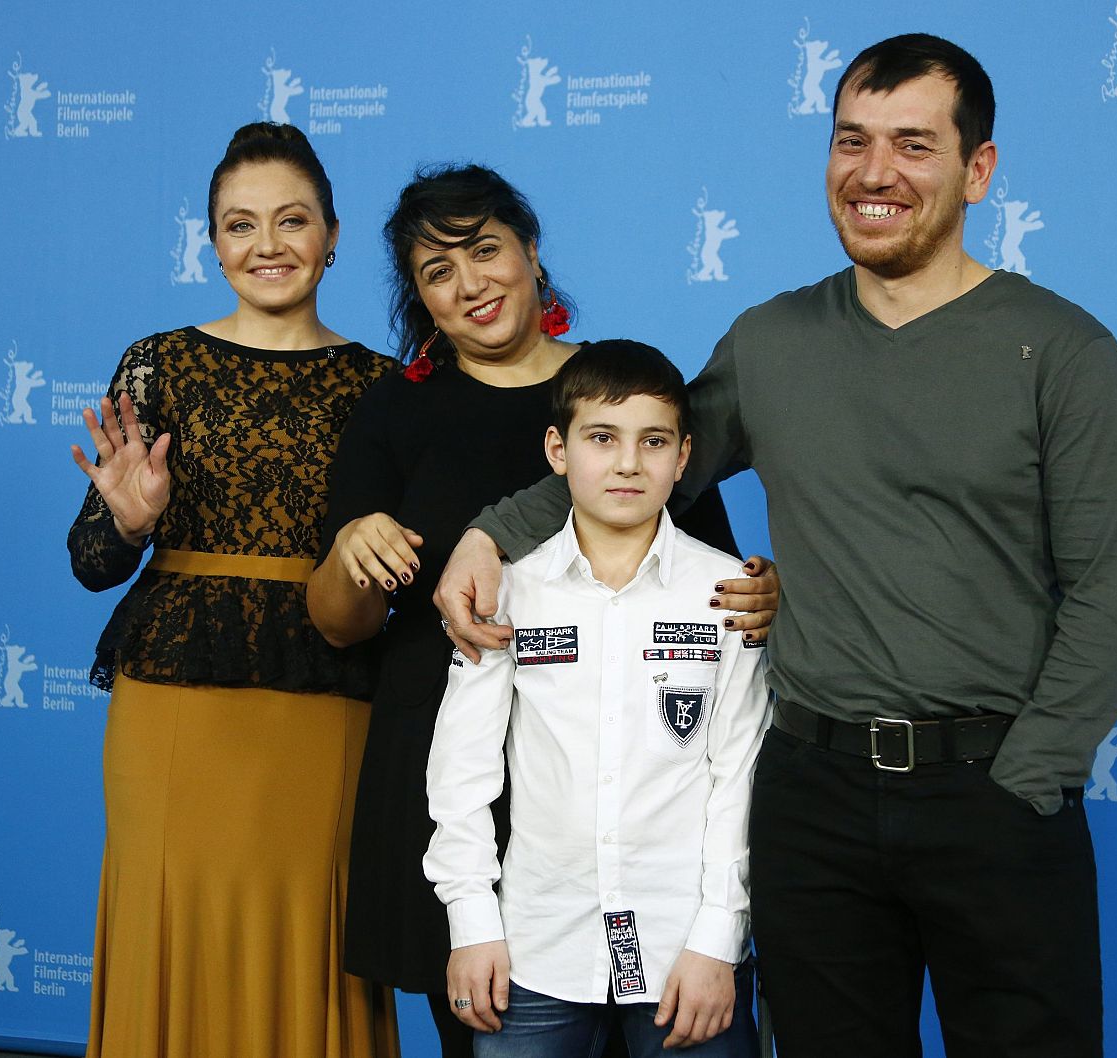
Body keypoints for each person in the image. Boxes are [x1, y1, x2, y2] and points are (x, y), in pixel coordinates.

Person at [436, 33, 1117, 1058]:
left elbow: (1106, 592)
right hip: (811, 795)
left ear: (977, 170)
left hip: (990, 788)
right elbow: (639, 469)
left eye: (912, 144)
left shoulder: (1063, 350)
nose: (874, 172)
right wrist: (489, 532)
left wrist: (1027, 779)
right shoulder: (772, 341)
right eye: (851, 140)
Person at [304, 165, 778, 1058]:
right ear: (417, 297)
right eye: (437, 271)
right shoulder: (394, 411)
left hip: (649, 799)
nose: (471, 283)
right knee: (483, 1024)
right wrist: (351, 549)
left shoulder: (619, 394)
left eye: (485, 251)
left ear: (530, 253)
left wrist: (772, 591)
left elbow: (713, 587)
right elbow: (337, 621)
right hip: (454, 768)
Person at [68, 122, 399, 1058]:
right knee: (169, 916)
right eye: (240, 225)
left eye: (292, 220)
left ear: (333, 236)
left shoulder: (384, 386)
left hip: (325, 696)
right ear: (212, 244)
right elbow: (91, 561)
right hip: (173, 706)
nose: (267, 246)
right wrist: (131, 518)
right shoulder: (158, 361)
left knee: (315, 931)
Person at [424, 343, 770, 1057]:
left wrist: (717, 937)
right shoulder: (509, 590)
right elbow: (461, 772)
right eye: (602, 438)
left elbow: (738, 780)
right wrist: (471, 922)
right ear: (558, 449)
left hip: (687, 952)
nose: (627, 464)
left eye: (653, 442)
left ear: (683, 458)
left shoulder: (726, 593)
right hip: (535, 947)